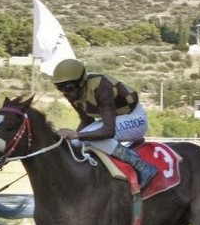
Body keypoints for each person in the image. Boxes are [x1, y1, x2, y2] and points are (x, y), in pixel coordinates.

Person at [52, 58, 157, 189]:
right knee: (74, 143)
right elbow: (87, 121)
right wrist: (68, 139)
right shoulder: (75, 96)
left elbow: (108, 131)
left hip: (135, 119)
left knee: (91, 138)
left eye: (68, 88)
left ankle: (142, 166)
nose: (65, 93)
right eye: (60, 88)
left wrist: (76, 135)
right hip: (116, 119)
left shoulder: (101, 87)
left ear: (81, 82)